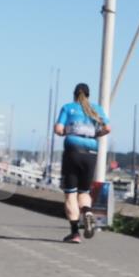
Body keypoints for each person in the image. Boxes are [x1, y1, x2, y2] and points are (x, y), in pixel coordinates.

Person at [54, 83, 111, 243]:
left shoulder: (68, 108)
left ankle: (75, 233)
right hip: (91, 152)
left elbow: (58, 129)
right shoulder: (96, 109)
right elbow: (108, 127)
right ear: (88, 95)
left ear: (74, 95)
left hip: (72, 151)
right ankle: (87, 212)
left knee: (70, 194)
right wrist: (96, 133)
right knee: (84, 192)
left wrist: (70, 131)